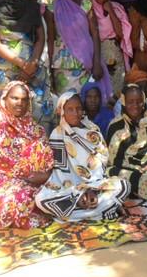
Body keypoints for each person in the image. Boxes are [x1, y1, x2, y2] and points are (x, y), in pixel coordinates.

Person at [0, 81, 53, 229]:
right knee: (20, 199)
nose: (20, 103)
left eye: (24, 100)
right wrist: (26, 175)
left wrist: (44, 175)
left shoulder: (32, 128)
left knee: (52, 193)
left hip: (31, 179)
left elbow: (45, 158)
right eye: (14, 98)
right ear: (4, 98)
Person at [35, 91, 130, 222]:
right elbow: (61, 173)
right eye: (70, 109)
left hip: (95, 186)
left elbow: (100, 165)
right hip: (69, 189)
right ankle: (102, 210)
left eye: (78, 108)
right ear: (62, 111)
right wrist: (78, 195)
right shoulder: (57, 134)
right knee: (41, 200)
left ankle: (77, 212)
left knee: (123, 186)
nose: (75, 113)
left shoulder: (92, 131)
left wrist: (91, 189)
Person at [0, 0, 54, 132]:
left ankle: (41, 147)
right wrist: (22, 64)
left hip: (34, 68)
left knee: (40, 115)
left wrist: (33, 63)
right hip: (8, 73)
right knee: (10, 119)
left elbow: (41, 37)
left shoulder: (31, 7)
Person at [49, 0, 111, 99]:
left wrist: (97, 62)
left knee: (87, 101)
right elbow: (50, 38)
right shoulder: (53, 7)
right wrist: (48, 66)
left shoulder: (86, 4)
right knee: (67, 101)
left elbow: (95, 34)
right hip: (63, 64)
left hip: (86, 62)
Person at [87, 0, 133, 97]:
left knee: (117, 93)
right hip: (95, 56)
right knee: (98, 94)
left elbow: (120, 34)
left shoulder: (116, 7)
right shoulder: (87, 9)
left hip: (115, 57)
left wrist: (111, 11)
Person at [18, 0, 54, 66]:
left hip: (43, 58)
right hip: (21, 58)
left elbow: (50, 37)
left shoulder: (45, 11)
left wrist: (51, 59)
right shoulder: (17, 10)